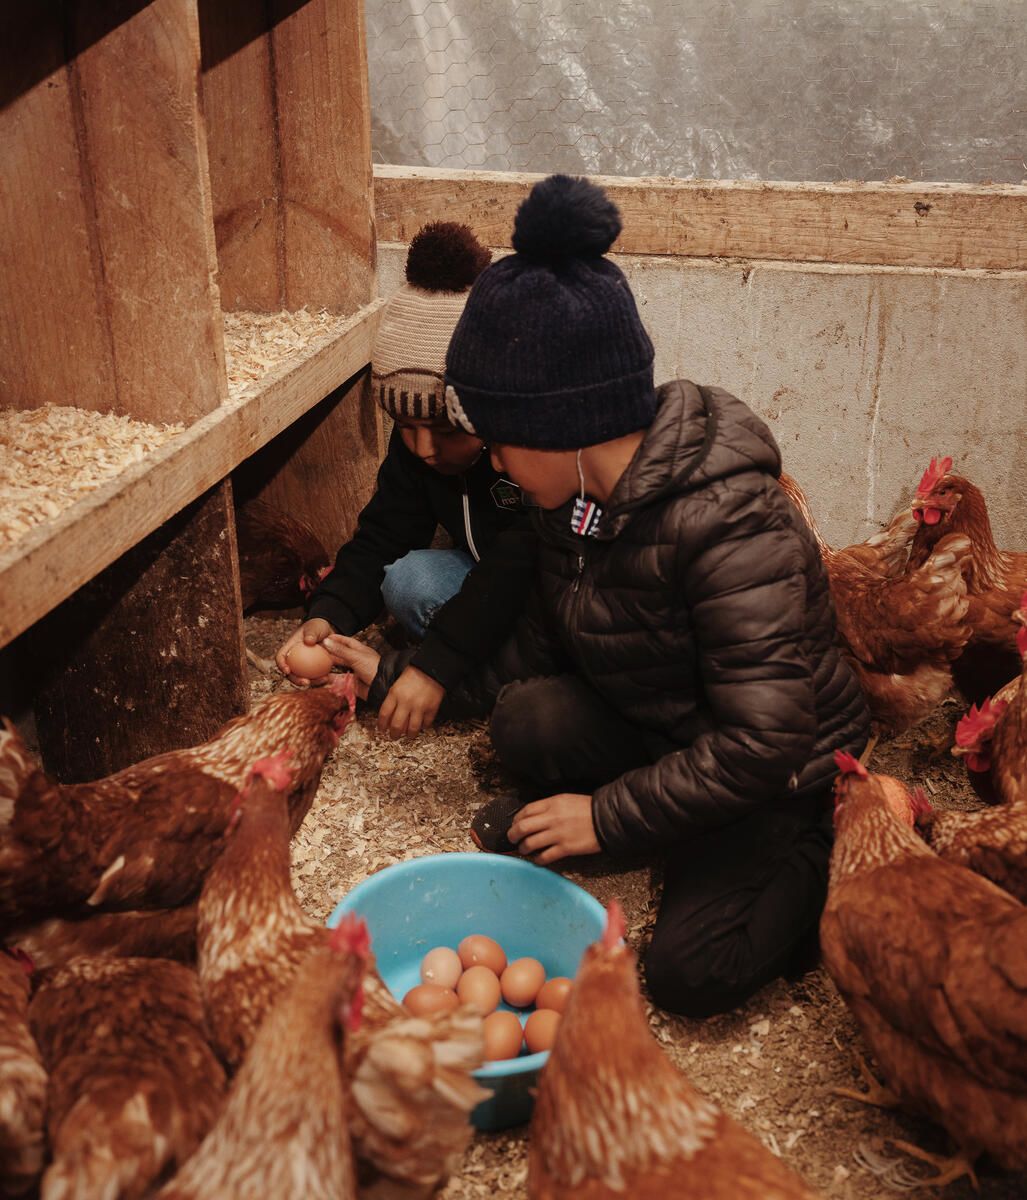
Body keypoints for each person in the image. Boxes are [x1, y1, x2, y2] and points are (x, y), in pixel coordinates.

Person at [327, 175, 870, 1019]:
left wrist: (607, 820)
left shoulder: (729, 521)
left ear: (562, 428)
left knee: (691, 972)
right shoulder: (574, 504)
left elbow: (765, 739)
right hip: (669, 725)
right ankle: (669, 820)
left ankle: (798, 858)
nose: (496, 464)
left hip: (776, 769)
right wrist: (406, 675)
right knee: (525, 718)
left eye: (502, 441)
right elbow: (538, 643)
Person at [276, 222, 536, 739]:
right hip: (486, 576)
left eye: (441, 428)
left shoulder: (526, 456)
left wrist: (433, 666)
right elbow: (384, 533)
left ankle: (501, 667)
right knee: (409, 579)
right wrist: (331, 613)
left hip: (541, 586)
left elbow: (518, 563)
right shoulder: (420, 452)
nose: (422, 449)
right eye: (406, 427)